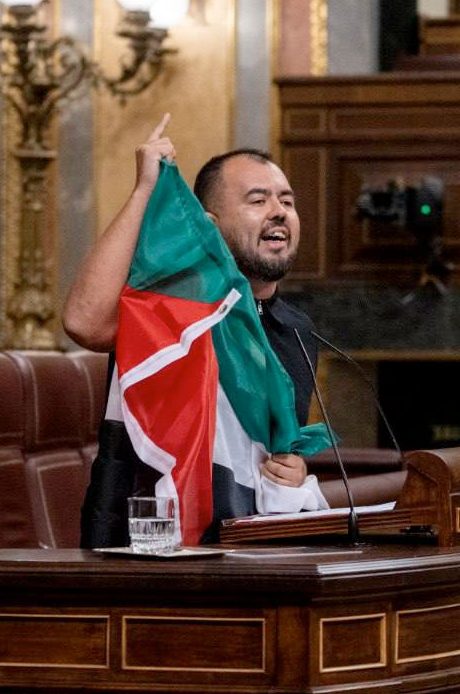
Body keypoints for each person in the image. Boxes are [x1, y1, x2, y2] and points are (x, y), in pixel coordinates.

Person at [64, 116, 318, 545]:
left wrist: (293, 471)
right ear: (210, 224)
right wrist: (145, 190)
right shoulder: (173, 309)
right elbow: (84, 322)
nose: (279, 211)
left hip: (251, 549)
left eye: (287, 201)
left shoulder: (297, 330)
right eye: (258, 200)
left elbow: (272, 452)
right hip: (146, 545)